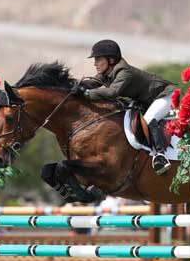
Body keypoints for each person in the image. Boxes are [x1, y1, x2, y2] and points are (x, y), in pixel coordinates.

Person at [74, 39, 176, 175]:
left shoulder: (123, 72)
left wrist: (86, 94)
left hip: (165, 96)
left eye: (98, 59)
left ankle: (160, 156)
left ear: (110, 60)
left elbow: (112, 92)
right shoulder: (108, 72)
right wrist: (74, 86)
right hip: (146, 100)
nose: (95, 63)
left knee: (149, 119)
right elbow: (94, 82)